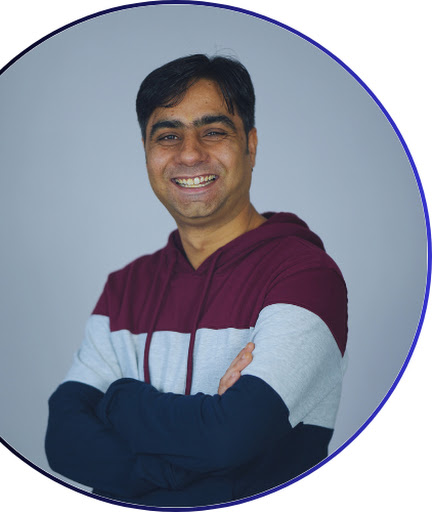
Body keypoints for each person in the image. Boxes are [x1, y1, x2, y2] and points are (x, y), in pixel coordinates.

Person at [45, 54, 348, 507]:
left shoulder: (304, 276)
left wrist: (116, 401)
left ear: (250, 145)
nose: (189, 154)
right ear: (147, 153)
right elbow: (64, 439)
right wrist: (180, 465)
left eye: (214, 131)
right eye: (168, 136)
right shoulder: (124, 287)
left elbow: (229, 438)